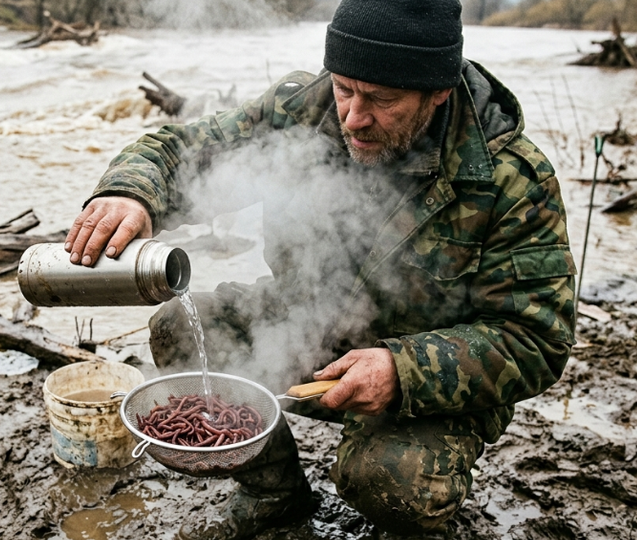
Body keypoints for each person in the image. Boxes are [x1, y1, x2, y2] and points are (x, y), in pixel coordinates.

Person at [64, 0, 577, 538]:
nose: (353, 118)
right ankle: (274, 496)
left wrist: (403, 370)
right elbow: (182, 150)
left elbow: (536, 339)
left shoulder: (512, 179)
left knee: (388, 481)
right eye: (345, 88)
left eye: (381, 99)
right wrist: (132, 194)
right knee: (178, 330)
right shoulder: (300, 112)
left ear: (438, 92)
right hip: (305, 331)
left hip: (424, 382)